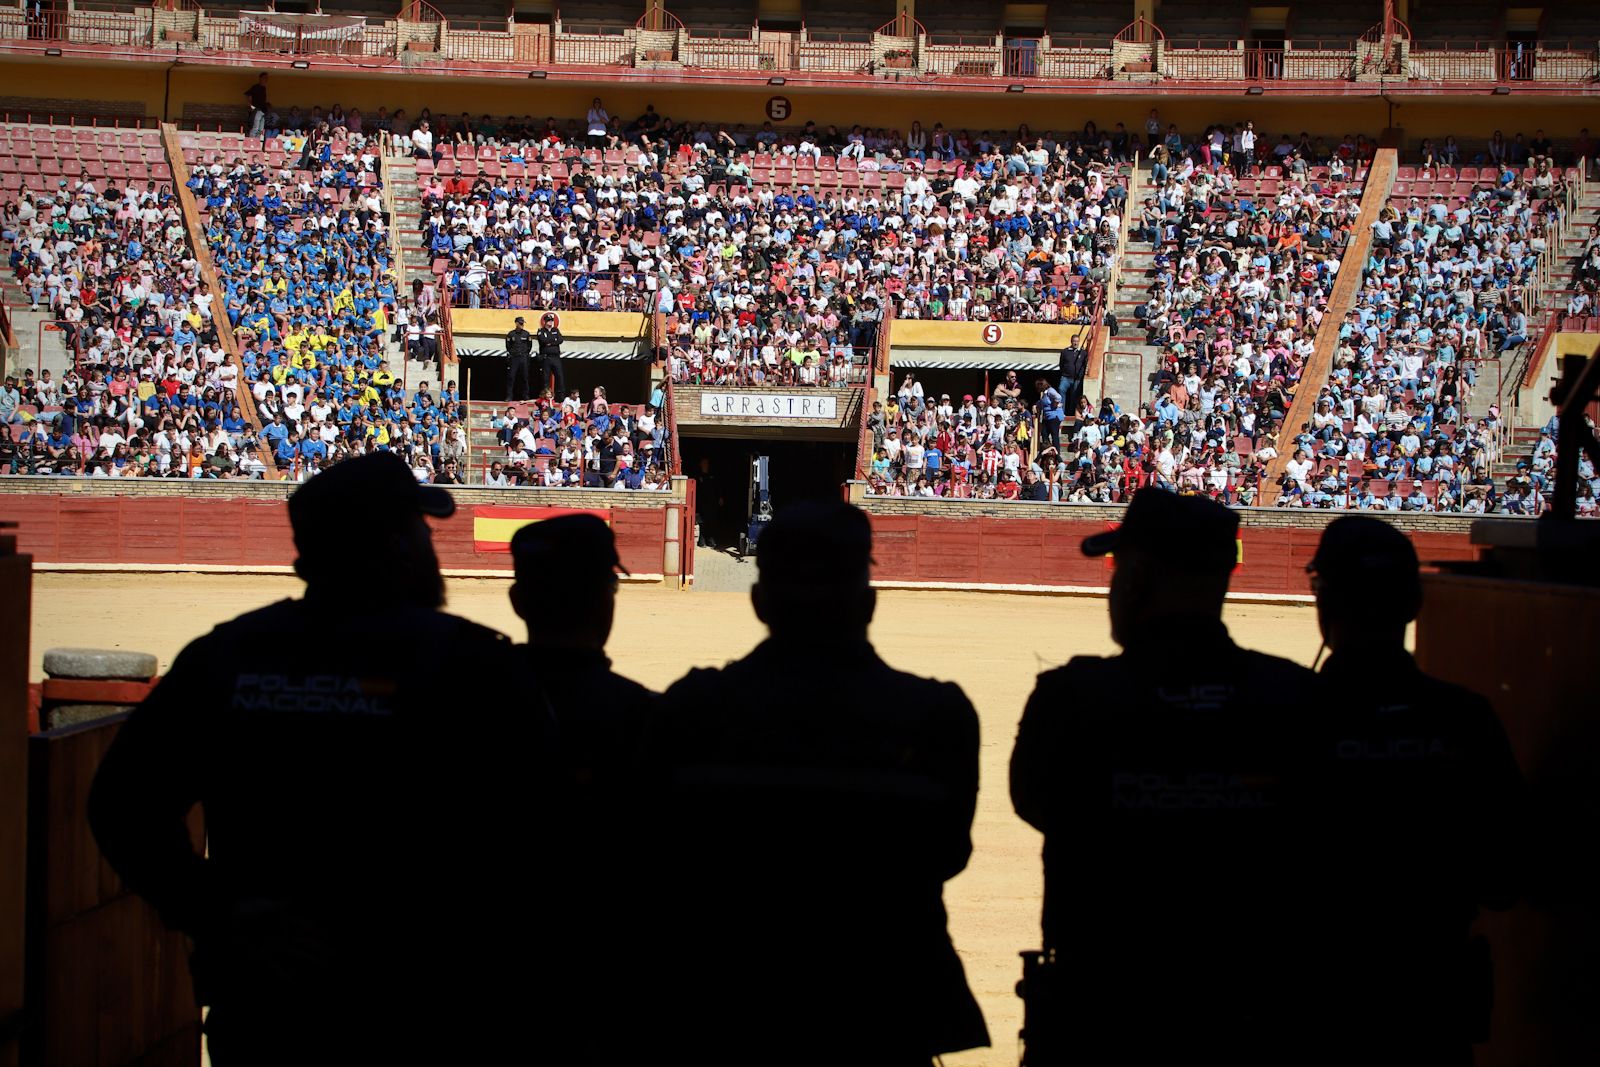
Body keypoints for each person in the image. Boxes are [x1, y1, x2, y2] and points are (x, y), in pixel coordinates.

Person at [87, 453, 551, 1065]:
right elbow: (546, 841)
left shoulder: (229, 657)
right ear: (396, 544)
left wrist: (218, 915)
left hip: (273, 1011)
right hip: (427, 1009)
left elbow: (121, 804)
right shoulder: (475, 666)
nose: (430, 544)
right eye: (421, 528)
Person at [644, 501, 989, 1065]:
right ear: (870, 603)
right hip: (885, 1008)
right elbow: (947, 855)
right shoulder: (936, 717)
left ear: (757, 602)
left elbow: (655, 856)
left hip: (730, 1006)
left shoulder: (693, 711)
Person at [1010, 489, 1322, 1065]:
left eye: (1120, 567)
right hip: (1252, 1013)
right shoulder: (1297, 698)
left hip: (1105, 1009)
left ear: (1140, 578)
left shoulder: (1072, 698)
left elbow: (1036, 801)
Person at [1305, 516, 1527, 1064]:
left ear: (1323, 601)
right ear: (1413, 604)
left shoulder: (1283, 717)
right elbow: (1505, 879)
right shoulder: (1467, 719)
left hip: (1316, 1002)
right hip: (1431, 1003)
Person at [509, 515, 656, 1064]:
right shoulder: (648, 719)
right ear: (607, 600)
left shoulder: (454, 707)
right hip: (610, 989)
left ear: (519, 600)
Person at [535, 312, 565, 401]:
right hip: (546, 357)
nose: (550, 322)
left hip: (555, 357)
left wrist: (550, 342)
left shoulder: (555, 330)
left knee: (560, 377)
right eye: (548, 321)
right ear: (544, 322)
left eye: (551, 320)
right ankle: (546, 397)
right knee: (545, 379)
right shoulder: (541, 331)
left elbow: (560, 340)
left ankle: (560, 397)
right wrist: (553, 341)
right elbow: (543, 341)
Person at [505, 314, 533, 401]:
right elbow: (508, 346)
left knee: (525, 377)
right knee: (511, 377)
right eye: (520, 323)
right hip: (514, 358)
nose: (522, 325)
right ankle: (509, 396)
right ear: (516, 323)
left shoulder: (526, 334)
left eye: (522, 324)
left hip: (523, 358)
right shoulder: (511, 334)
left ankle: (525, 396)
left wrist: (525, 353)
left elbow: (529, 346)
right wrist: (513, 353)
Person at [1057, 341, 1088, 415]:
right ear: (1071, 342)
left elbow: (1085, 364)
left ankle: (1072, 413)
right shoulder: (1065, 351)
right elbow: (1061, 363)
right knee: (1061, 390)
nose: (1075, 343)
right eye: (1074, 341)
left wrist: (1082, 374)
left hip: (1077, 379)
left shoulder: (1083, 353)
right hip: (1066, 377)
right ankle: (1061, 412)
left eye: (1077, 341)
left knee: (1074, 397)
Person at [244, 73, 269, 139]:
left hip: (263, 110)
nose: (266, 79)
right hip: (257, 110)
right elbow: (248, 94)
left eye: (267, 78)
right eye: (264, 78)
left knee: (260, 129)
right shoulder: (256, 87)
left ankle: (256, 144)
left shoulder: (264, 88)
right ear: (260, 78)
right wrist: (251, 105)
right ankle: (251, 144)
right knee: (255, 128)